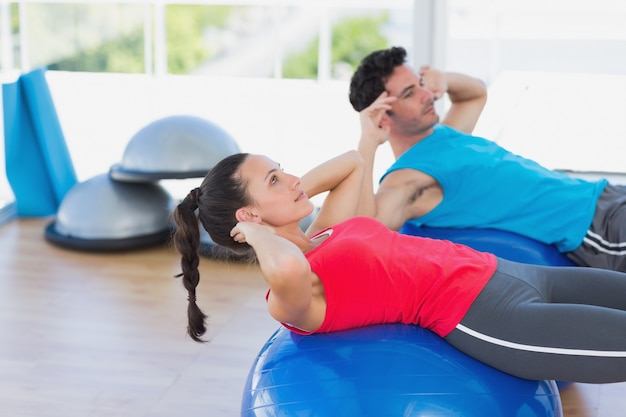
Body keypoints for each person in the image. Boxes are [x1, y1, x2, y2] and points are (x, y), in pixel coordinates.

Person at [173, 94, 626, 384]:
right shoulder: (288, 292)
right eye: (275, 178)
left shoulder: (324, 231)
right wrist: (255, 231)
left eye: (281, 167)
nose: (292, 178)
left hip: (508, 272)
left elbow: (352, 163)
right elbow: (286, 265)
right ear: (247, 215)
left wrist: (288, 194)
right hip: (488, 315)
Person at [348, 46, 626, 272]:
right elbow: (369, 231)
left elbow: (475, 93)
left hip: (604, 196)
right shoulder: (408, 179)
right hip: (591, 228)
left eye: (420, 84)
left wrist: (443, 79)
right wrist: (368, 141)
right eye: (410, 93)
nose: (427, 95)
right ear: (383, 115)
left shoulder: (442, 134)